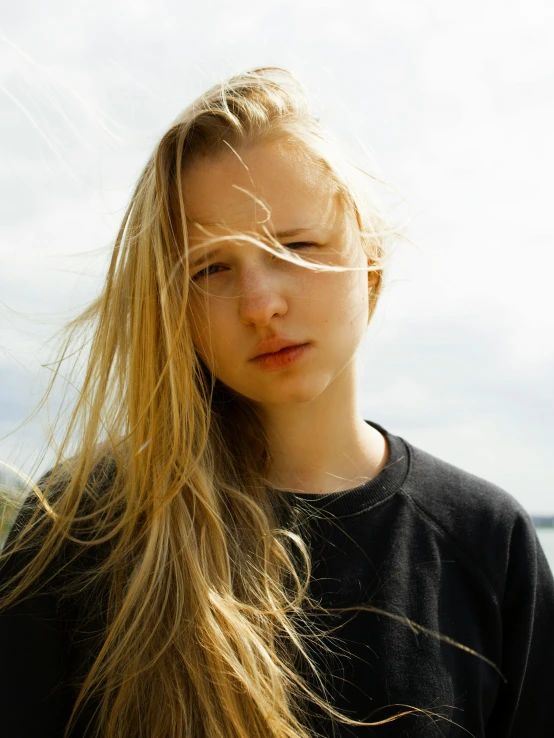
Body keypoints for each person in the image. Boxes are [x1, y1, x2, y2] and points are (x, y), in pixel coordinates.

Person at [0, 66, 553, 738]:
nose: (261, 304)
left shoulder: (487, 540)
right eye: (210, 269)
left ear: (369, 259)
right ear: (174, 307)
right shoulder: (83, 532)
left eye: (294, 246)